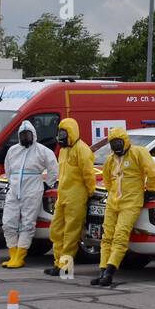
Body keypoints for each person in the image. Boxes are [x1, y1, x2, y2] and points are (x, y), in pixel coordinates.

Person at [93, 125, 155, 287]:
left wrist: (149, 190)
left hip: (131, 203)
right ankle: (102, 270)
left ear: (125, 141)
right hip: (113, 202)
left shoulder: (138, 153)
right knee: (106, 236)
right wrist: (113, 193)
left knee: (120, 236)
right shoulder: (110, 159)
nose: (116, 146)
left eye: (118, 142)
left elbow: (152, 172)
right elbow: (107, 179)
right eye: (113, 143)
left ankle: (110, 271)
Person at [0, 120, 58, 269]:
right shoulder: (13, 150)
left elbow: (53, 168)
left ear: (34, 135)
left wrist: (47, 184)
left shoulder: (42, 151)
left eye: (28, 134)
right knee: (8, 223)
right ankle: (12, 253)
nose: (25, 137)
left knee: (27, 223)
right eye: (23, 135)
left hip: (33, 190)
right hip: (14, 190)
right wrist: (12, 182)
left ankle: (20, 255)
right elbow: (8, 169)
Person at [46, 117, 94, 277]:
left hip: (76, 198)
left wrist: (90, 193)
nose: (60, 137)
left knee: (71, 233)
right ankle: (57, 262)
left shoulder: (82, 150)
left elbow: (88, 175)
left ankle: (65, 266)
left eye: (63, 133)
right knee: (56, 230)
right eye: (59, 133)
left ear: (71, 133)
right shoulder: (64, 151)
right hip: (63, 196)